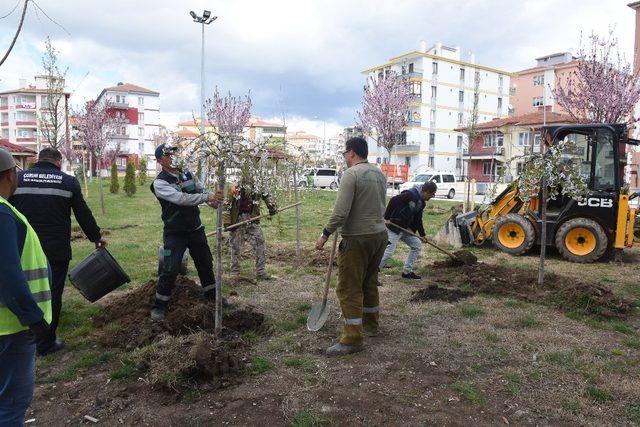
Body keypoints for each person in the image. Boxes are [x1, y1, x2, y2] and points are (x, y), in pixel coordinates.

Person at [10, 147, 105, 355]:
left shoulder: (18, 179)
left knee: (20, 289)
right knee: (52, 293)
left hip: (21, 248)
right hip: (56, 249)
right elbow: (83, 214)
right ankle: (46, 342)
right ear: (59, 162)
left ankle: (20, 335)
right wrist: (96, 237)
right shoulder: (68, 182)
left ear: (38, 160)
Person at [0, 148, 58, 424]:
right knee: (11, 404)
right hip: (11, 328)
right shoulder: (3, 216)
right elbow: (7, 274)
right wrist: (34, 318)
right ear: (10, 175)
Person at [315, 137, 388, 356]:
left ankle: (352, 338)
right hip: (379, 236)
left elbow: (340, 211)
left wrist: (325, 234)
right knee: (369, 282)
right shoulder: (379, 174)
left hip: (357, 239)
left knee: (349, 288)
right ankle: (371, 325)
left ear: (352, 153)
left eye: (345, 153)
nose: (345, 158)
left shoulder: (351, 174)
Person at [150, 143, 230, 321]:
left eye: (174, 153)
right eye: (169, 155)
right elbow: (181, 199)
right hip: (175, 232)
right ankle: (160, 305)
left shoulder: (187, 173)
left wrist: (212, 199)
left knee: (205, 263)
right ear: (160, 161)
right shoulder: (160, 182)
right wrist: (205, 198)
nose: (173, 157)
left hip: (195, 229)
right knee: (170, 269)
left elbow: (200, 189)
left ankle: (212, 297)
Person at [379, 181, 437, 280]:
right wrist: (386, 217)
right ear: (427, 192)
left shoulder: (421, 202)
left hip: (405, 228)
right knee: (388, 252)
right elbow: (393, 200)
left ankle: (407, 272)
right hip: (394, 226)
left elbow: (418, 219)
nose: (433, 196)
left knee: (416, 245)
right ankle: (371, 275)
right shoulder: (410, 194)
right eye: (432, 194)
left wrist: (422, 234)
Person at [223, 178, 277, 280]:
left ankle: (261, 272)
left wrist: (271, 207)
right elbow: (227, 205)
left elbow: (266, 195)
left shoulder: (257, 185)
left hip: (253, 218)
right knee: (236, 246)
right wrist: (226, 222)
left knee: (260, 242)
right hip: (238, 219)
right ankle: (235, 273)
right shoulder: (235, 188)